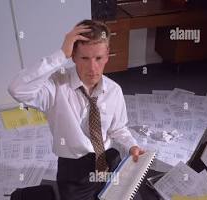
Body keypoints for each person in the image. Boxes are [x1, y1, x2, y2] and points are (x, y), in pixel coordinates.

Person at [8, 19, 145, 200]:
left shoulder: (114, 90)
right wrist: (60, 55)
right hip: (74, 168)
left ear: (107, 55)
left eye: (98, 58)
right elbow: (17, 89)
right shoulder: (56, 87)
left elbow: (118, 128)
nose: (92, 68)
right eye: (84, 58)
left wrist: (131, 146)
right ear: (73, 56)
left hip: (109, 159)